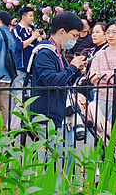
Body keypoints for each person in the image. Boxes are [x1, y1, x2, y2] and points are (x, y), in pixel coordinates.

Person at [28, 12, 86, 159]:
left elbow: (64, 80)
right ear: (62, 32)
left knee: (61, 161)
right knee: (48, 166)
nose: (75, 40)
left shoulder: (57, 53)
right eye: (74, 35)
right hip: (45, 118)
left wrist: (77, 71)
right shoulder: (45, 53)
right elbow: (52, 81)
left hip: (55, 116)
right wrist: (72, 67)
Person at [10, 6, 41, 74]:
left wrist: (41, 38)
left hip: (31, 68)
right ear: (23, 17)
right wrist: (33, 37)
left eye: (32, 16)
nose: (32, 18)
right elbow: (19, 45)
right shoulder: (16, 30)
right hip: (20, 68)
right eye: (30, 16)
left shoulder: (32, 30)